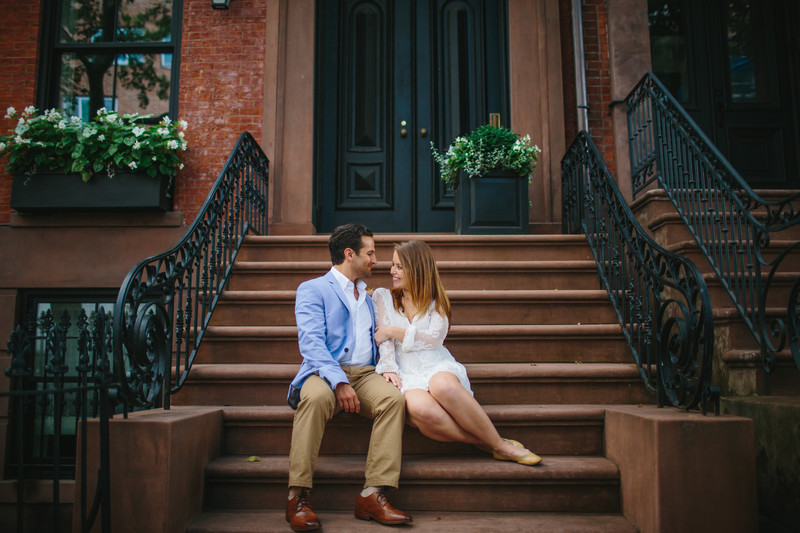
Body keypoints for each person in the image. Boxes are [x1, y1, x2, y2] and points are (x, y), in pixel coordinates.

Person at [285, 224, 412, 531]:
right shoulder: (313, 289)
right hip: (324, 370)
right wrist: (338, 380)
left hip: (366, 373)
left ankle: (372, 494)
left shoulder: (370, 297)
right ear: (349, 254)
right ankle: (298, 495)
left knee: (393, 400)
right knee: (314, 398)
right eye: (370, 253)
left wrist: (388, 369)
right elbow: (311, 343)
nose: (375, 260)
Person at [372, 240, 542, 466]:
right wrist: (389, 367)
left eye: (399, 266)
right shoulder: (383, 296)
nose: (392, 271)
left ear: (417, 269)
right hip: (406, 372)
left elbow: (433, 339)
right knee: (422, 410)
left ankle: (500, 447)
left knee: (443, 386)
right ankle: (493, 442)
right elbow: (383, 341)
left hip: (435, 364)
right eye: (393, 265)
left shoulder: (436, 300)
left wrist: (394, 330)